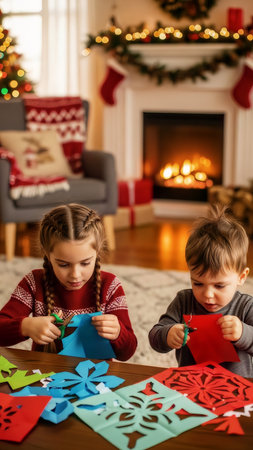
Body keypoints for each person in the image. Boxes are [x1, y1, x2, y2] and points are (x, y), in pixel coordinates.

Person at [0, 203, 137, 361]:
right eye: (63, 264)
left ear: (97, 252)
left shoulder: (110, 286)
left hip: (96, 378)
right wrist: (25, 326)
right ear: (47, 253)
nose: (75, 275)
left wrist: (118, 332)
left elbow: (128, 351)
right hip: (45, 376)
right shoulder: (34, 282)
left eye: (85, 263)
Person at [149, 204, 253, 377]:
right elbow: (155, 336)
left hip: (236, 388)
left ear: (242, 277)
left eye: (219, 286)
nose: (207, 294)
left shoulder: (246, 306)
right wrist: (168, 334)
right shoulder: (184, 301)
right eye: (198, 283)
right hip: (190, 384)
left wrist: (243, 332)